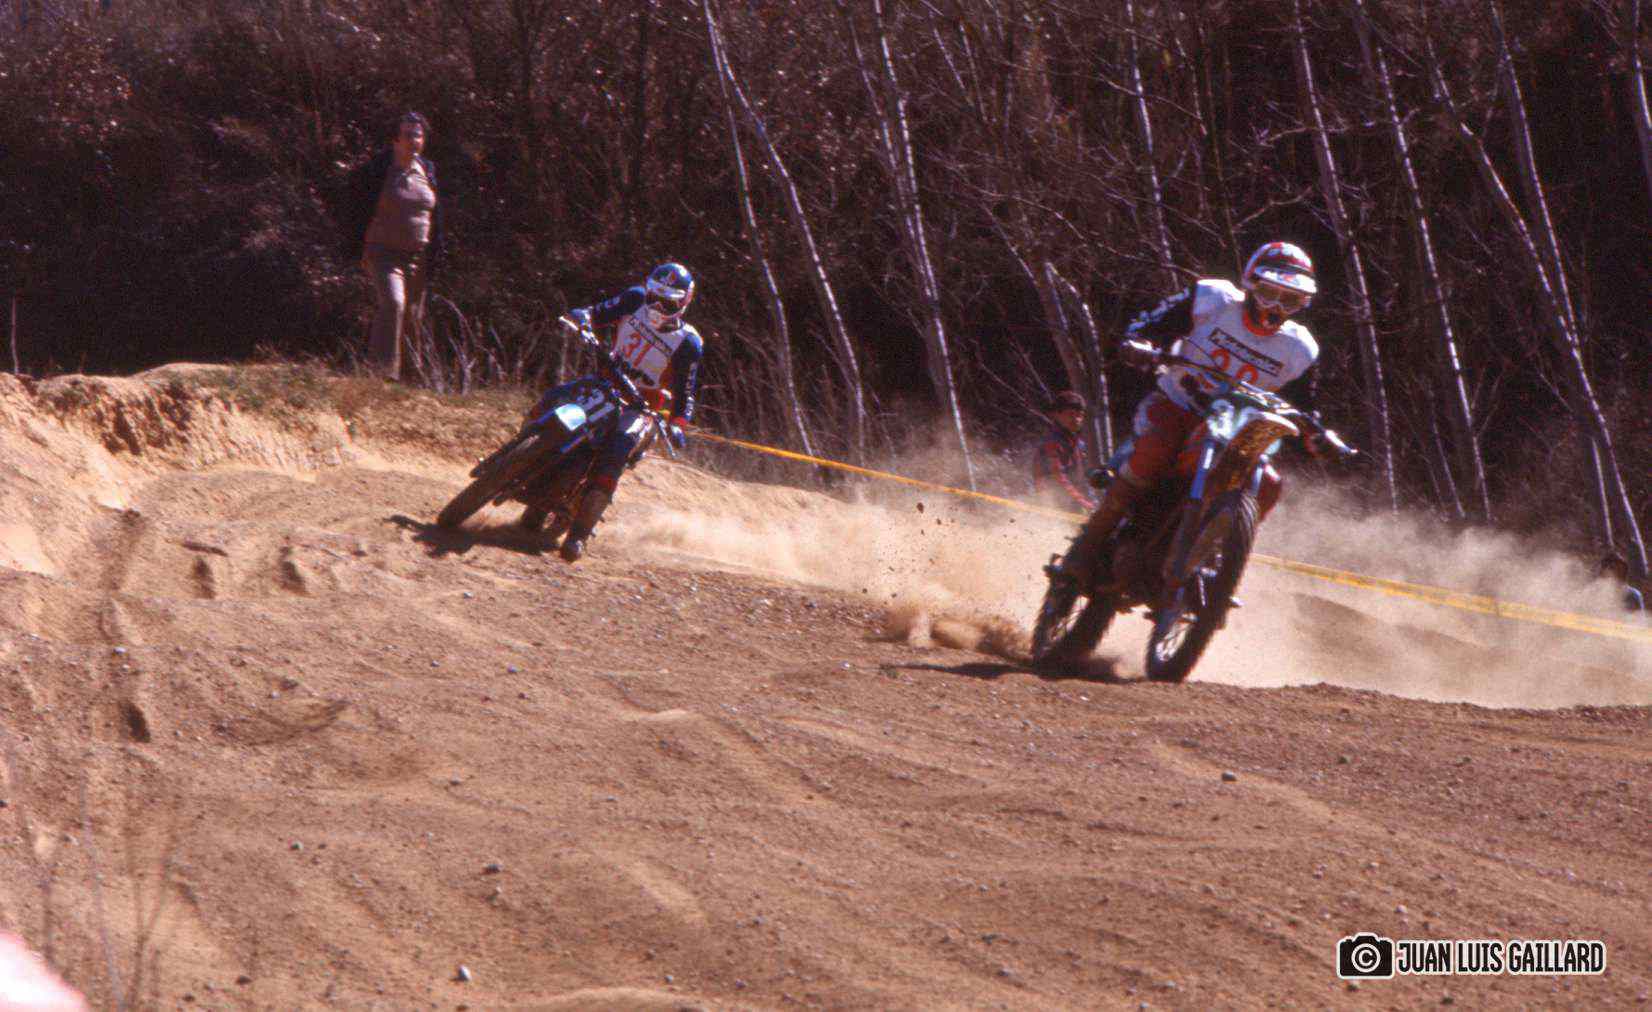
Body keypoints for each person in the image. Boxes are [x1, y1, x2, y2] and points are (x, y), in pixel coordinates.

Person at [1053, 241, 1326, 586]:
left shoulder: (1300, 348)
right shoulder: (1212, 299)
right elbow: (1148, 324)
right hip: (1179, 404)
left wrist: (1317, 434)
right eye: (1270, 294)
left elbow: (1305, 405)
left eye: (1290, 300)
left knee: (1269, 485)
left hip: (1238, 428)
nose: (1276, 308)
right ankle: (1091, 540)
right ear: (1251, 284)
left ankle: (1216, 553)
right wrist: (1140, 344)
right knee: (1158, 447)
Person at [546, 262, 703, 562]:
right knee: (553, 399)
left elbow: (686, 392)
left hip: (642, 406)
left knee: (616, 451)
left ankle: (579, 534)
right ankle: (510, 457)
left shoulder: (688, 343)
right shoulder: (633, 299)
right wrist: (583, 317)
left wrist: (678, 423)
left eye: (667, 302)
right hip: (605, 383)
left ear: (684, 302)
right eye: (653, 297)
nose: (656, 307)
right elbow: (596, 312)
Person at [343, 111, 446, 379]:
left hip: (418, 256)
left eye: (419, 135)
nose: (414, 140)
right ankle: (381, 373)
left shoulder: (427, 170)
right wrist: (356, 244)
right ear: (395, 140)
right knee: (393, 302)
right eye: (408, 135)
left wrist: (436, 251)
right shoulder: (378, 171)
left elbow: (436, 216)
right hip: (383, 252)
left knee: (413, 317)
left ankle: (412, 380)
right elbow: (353, 207)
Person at [1031, 390, 1097, 512]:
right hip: (1052, 507)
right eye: (1071, 414)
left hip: (1073, 504)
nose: (1076, 419)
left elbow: (1084, 478)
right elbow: (1058, 479)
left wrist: (1093, 501)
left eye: (1080, 415)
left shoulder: (1078, 444)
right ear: (1057, 415)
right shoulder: (1052, 443)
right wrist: (1084, 503)